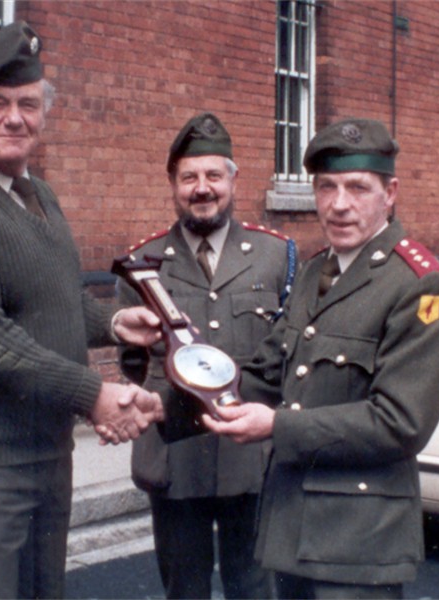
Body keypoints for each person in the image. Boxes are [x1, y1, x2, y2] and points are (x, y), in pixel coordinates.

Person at [0, 21, 163, 599]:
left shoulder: (36, 193)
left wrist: (116, 324)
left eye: (27, 103)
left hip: (45, 448)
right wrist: (93, 394)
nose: (14, 118)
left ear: (44, 112)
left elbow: (56, 298)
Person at [203, 118, 439, 599]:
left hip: (359, 543)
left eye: (357, 188)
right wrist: (181, 395)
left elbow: (400, 421)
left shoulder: (419, 284)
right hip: (292, 530)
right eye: (326, 187)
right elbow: (268, 370)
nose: (339, 205)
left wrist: (275, 426)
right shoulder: (317, 270)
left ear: (390, 193)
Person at [117, 112, 297, 599]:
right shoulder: (143, 264)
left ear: (233, 179)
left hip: (251, 457)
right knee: (183, 589)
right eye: (189, 177)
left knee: (254, 587)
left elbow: (287, 355)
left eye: (214, 175)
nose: (202, 188)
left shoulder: (275, 255)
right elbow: (130, 366)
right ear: (172, 184)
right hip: (175, 459)